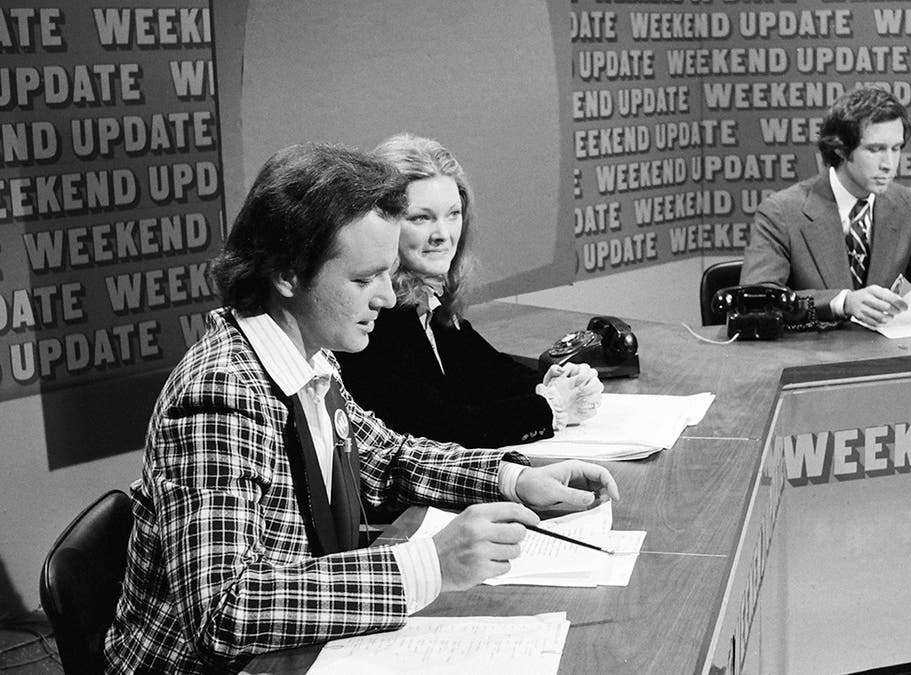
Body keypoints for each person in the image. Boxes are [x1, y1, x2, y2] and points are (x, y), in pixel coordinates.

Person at [104, 143, 619, 674]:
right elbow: (224, 611)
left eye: (387, 274)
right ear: (287, 273)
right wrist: (427, 565)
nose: (388, 298)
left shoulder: (309, 355)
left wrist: (515, 480)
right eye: (362, 279)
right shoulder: (221, 395)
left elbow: (389, 461)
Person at [337, 133, 603, 450]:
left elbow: (487, 370)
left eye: (453, 214)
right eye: (422, 218)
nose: (443, 235)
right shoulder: (376, 314)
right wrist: (550, 407)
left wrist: (558, 380)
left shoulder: (426, 298)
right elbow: (440, 428)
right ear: (383, 222)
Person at [740, 87, 911, 328]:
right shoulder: (781, 213)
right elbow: (757, 301)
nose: (889, 163)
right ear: (841, 149)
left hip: (882, 359)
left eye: (896, 149)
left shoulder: (904, 205)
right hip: (812, 359)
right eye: (875, 150)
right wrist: (843, 303)